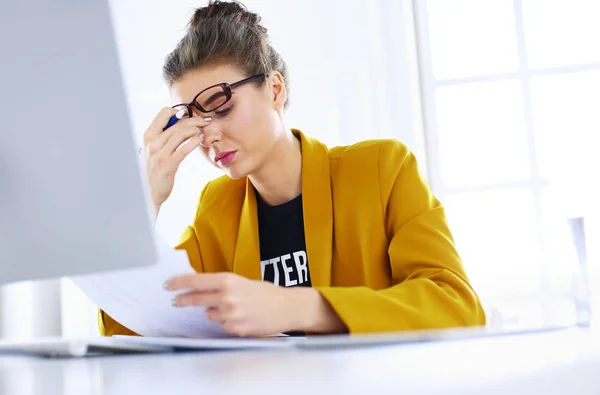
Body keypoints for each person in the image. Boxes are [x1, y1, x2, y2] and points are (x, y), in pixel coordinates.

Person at [99, 0, 486, 337]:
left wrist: (298, 307)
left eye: (222, 107)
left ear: (275, 89)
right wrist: (146, 199)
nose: (209, 135)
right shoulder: (217, 208)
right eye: (195, 121)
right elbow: (128, 330)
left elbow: (456, 305)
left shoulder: (382, 168)